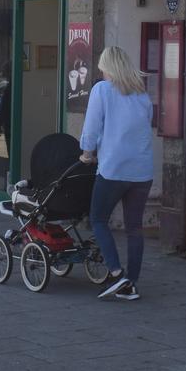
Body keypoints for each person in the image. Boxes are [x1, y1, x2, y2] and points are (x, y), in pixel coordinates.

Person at [79, 46, 153, 302]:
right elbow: (145, 125)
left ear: (108, 67)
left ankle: (116, 272)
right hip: (142, 171)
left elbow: (91, 127)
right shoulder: (142, 93)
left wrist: (87, 153)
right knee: (135, 227)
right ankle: (131, 282)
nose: (100, 70)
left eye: (102, 66)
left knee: (98, 219)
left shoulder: (102, 90)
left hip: (113, 169)